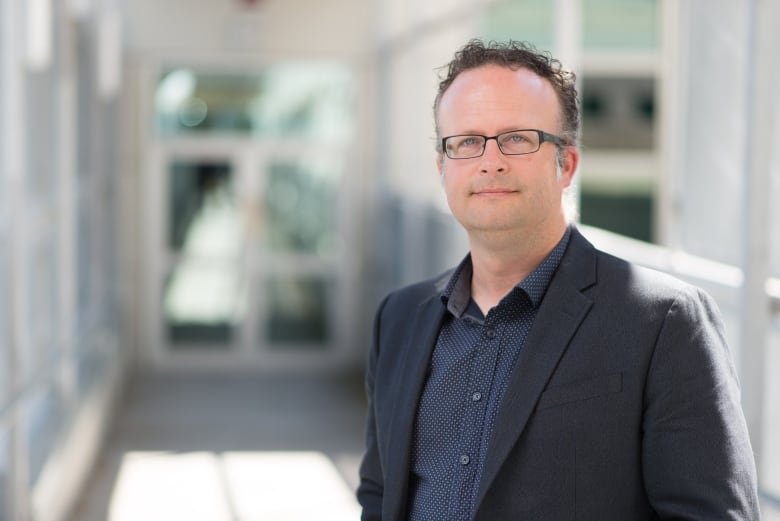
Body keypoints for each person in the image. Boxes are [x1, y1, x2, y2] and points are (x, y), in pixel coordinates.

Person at [356, 39, 760, 520]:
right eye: (466, 142)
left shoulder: (663, 322)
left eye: (517, 139)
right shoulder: (400, 318)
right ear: (442, 166)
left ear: (565, 164)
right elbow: (380, 495)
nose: (490, 161)